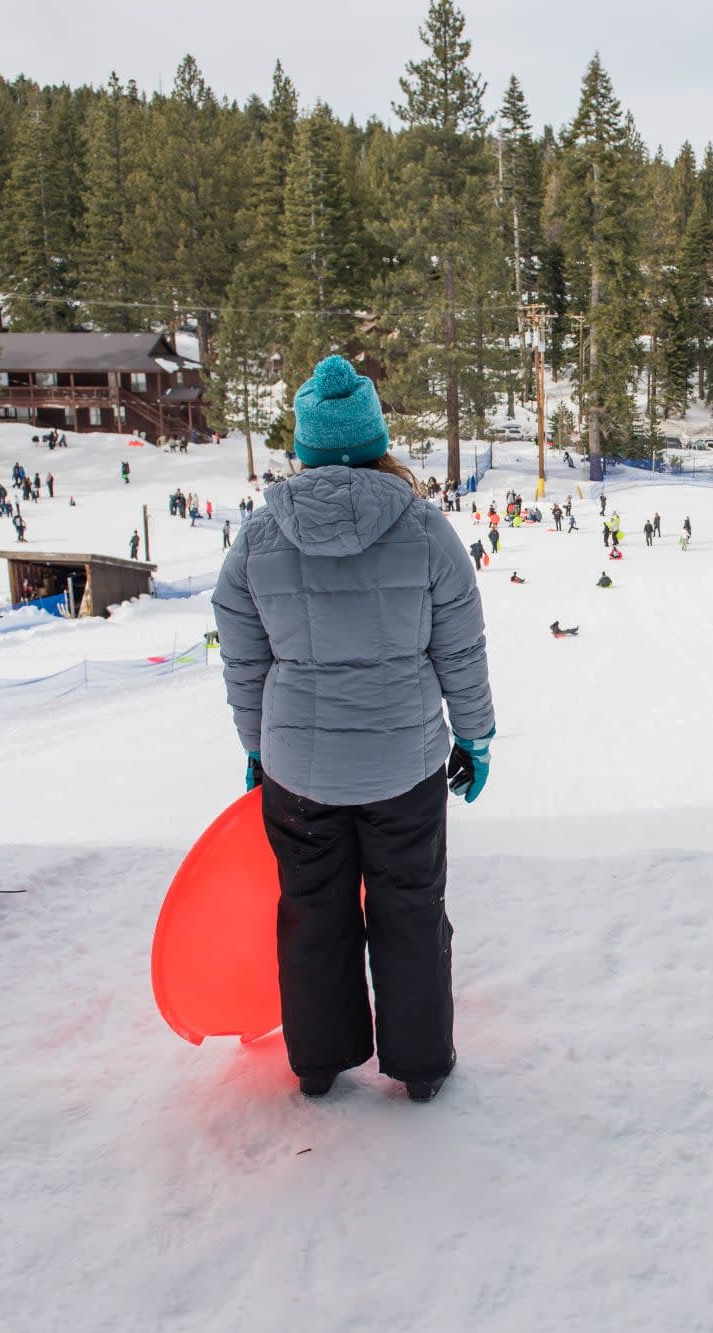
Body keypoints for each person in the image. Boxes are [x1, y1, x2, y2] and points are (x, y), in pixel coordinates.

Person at [212, 354, 494, 1104]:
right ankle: (422, 1062)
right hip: (404, 769)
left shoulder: (256, 542)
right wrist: (475, 736)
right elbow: (460, 647)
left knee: (312, 911)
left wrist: (255, 747)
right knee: (409, 907)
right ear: (376, 441)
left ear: (304, 447)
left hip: (298, 773)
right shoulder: (426, 531)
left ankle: (317, 1059)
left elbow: (245, 663)